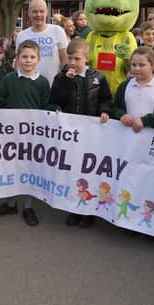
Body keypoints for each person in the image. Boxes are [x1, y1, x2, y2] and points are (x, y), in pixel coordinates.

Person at [0, 40, 52, 226]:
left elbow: (46, 105)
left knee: (30, 169)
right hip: (11, 133)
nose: (28, 60)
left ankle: (28, 206)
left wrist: (56, 111)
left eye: (32, 57)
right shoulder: (10, 79)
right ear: (18, 59)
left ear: (38, 60)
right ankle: (11, 202)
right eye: (24, 57)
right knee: (11, 167)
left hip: (33, 135)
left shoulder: (43, 82)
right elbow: (0, 97)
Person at [50, 39, 112, 228]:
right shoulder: (62, 77)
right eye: (70, 58)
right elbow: (55, 99)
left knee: (89, 171)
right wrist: (66, 81)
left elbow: (105, 99)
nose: (73, 62)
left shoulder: (98, 78)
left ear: (87, 57)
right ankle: (74, 208)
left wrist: (104, 111)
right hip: (71, 132)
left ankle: (89, 212)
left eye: (77, 58)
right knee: (72, 170)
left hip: (92, 133)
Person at [112, 46, 154, 133]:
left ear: (153, 65)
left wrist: (145, 121)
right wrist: (121, 115)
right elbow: (115, 108)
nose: (137, 68)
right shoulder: (124, 86)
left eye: (142, 65)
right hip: (127, 137)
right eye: (134, 65)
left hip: (153, 140)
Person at [16, 0, 68, 85]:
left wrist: (62, 80)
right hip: (29, 86)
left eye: (41, 11)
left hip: (54, 85)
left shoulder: (57, 31)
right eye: (35, 11)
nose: (38, 14)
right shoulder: (22, 35)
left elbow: (64, 59)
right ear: (29, 13)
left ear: (47, 12)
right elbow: (18, 62)